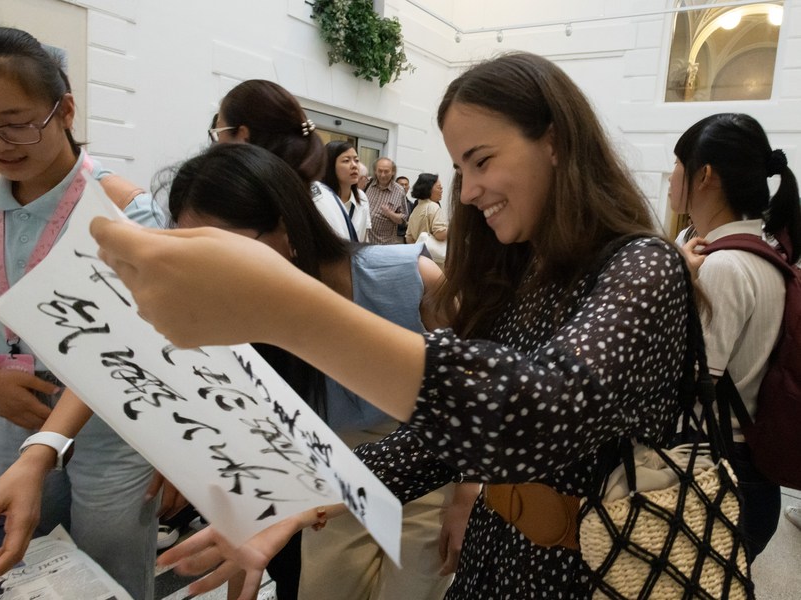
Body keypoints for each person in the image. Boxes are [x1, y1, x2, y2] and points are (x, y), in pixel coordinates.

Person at [91, 51, 695, 600]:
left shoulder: (643, 263)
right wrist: (307, 498)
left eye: (482, 160)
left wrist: (287, 308)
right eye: (463, 168)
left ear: (556, 142)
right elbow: (440, 439)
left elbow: (534, 412)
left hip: (593, 567)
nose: (471, 190)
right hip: (502, 554)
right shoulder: (528, 273)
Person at [165, 142, 473, 600]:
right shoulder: (233, 310)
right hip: (329, 476)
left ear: (286, 228)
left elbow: (480, 392)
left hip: (429, 462)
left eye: (225, 248)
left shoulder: (406, 277)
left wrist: (467, 498)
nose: (213, 268)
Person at [0, 24, 166, 599]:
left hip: (112, 419)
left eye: (15, 121)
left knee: (113, 568)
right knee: (29, 561)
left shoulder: (126, 212)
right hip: (17, 405)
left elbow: (122, 346)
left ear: (65, 110)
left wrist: (47, 445)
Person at [671, 113, 801, 562]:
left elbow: (686, 381)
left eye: (677, 163)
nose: (670, 178)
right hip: (747, 468)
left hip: (717, 472)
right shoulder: (768, 257)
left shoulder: (724, 267)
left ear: (704, 175)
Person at [210, 79, 357, 242]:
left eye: (218, 131)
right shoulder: (313, 194)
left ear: (243, 136)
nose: (216, 142)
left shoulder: (258, 211)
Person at [322, 141, 371, 242]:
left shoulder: (362, 197)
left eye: (356, 160)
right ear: (330, 166)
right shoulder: (320, 199)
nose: (354, 165)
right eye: (346, 161)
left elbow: (363, 238)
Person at [366, 157, 408, 244]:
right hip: (363, 241)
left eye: (386, 171)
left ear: (393, 172)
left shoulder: (399, 191)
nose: (382, 175)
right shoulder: (367, 184)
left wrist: (390, 213)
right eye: (380, 171)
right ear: (375, 171)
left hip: (383, 244)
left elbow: (404, 219)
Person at [405, 173, 447, 244]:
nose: (441, 190)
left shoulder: (416, 209)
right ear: (428, 189)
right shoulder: (433, 206)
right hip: (431, 253)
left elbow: (409, 239)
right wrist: (455, 230)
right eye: (439, 187)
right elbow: (439, 233)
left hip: (419, 252)